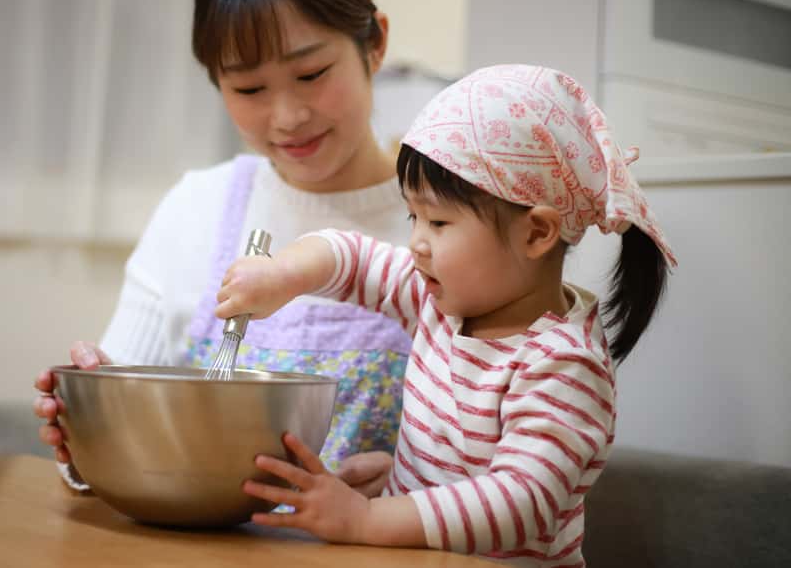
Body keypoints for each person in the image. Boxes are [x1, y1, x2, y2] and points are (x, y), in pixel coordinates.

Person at [214, 64, 677, 564]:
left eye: (438, 220)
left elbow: (519, 502)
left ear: (537, 233)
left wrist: (368, 520)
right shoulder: (440, 301)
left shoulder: (563, 365)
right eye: (414, 217)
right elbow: (352, 258)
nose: (416, 242)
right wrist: (284, 275)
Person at [34, 0, 411, 489]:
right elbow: (117, 440)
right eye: (249, 89)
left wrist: (414, 485)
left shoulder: (447, 223)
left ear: (375, 43)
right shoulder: (198, 210)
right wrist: (89, 428)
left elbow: (527, 457)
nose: (286, 117)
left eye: (311, 73)